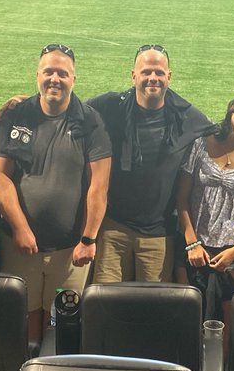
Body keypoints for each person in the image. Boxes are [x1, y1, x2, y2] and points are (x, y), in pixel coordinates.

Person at [0, 44, 111, 342]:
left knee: (62, 321)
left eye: (62, 73)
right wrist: (20, 228)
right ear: (37, 75)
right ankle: (29, 362)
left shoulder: (90, 121)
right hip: (19, 246)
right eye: (48, 72)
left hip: (69, 251)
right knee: (25, 318)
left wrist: (88, 239)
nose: (54, 79)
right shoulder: (15, 116)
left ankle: (55, 363)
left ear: (74, 79)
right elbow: (0, 177)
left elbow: (98, 185)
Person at [87, 45, 215, 284]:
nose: (152, 78)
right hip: (114, 227)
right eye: (146, 72)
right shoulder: (111, 105)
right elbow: (70, 110)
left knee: (153, 301)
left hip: (159, 233)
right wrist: (25, 103)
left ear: (169, 76)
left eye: (159, 72)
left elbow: (226, 133)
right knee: (106, 297)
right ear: (133, 75)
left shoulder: (186, 115)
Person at [175, 90, 234, 323]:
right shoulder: (201, 145)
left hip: (233, 250)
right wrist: (192, 243)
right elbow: (182, 200)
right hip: (193, 244)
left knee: (224, 319)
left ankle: (221, 350)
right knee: (189, 313)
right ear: (232, 109)